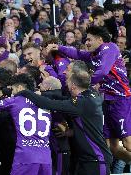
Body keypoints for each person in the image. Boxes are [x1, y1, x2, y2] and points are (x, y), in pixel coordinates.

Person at [16, 60, 113, 175]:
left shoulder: (80, 103)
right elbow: (63, 100)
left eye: (67, 82)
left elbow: (49, 104)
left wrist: (25, 92)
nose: (65, 85)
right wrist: (72, 132)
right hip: (87, 160)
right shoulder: (92, 96)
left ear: (73, 85)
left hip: (95, 162)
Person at [46, 26, 131, 164]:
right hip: (108, 102)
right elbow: (77, 54)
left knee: (128, 143)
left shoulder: (110, 48)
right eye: (86, 40)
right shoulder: (93, 55)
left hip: (121, 98)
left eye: (90, 40)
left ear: (100, 40)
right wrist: (59, 48)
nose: (87, 42)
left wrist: (83, 84)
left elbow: (103, 71)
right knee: (112, 147)